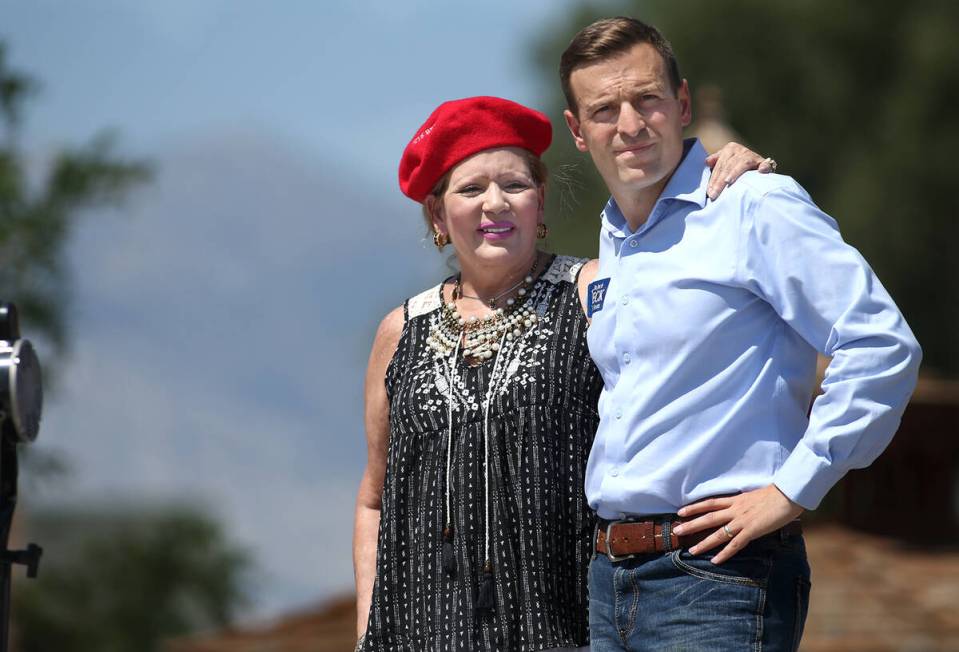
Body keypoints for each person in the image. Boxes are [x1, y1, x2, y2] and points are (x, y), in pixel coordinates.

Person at [558, 16, 922, 651]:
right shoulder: (613, 243)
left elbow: (880, 345)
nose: (630, 124)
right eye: (604, 109)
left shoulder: (755, 204)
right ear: (578, 132)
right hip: (609, 584)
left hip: (719, 578)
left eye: (647, 99)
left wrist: (793, 487)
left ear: (684, 104)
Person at [353, 96, 769, 651]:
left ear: (540, 200)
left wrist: (735, 177)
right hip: (420, 632)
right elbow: (374, 500)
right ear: (437, 215)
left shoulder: (595, 292)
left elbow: (697, 281)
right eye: (471, 189)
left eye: (514, 185)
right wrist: (366, 630)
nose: (494, 204)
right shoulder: (400, 332)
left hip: (567, 627)